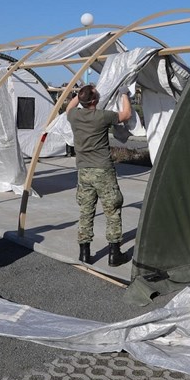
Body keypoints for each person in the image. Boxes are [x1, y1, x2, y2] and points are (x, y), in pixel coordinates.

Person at [66, 84, 132, 267]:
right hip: (103, 170)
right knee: (112, 210)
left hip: (83, 172)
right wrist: (124, 93)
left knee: (86, 211)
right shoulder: (103, 116)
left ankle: (84, 254)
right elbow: (126, 114)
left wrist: (79, 95)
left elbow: (68, 107)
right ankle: (114, 254)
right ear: (94, 100)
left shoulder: (74, 116)